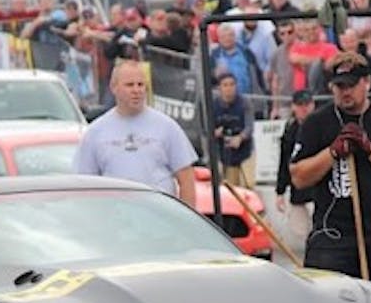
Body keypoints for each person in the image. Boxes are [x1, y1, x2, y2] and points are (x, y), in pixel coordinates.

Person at [289, 53, 371, 301]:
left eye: (351, 85)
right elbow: (299, 177)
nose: (345, 92)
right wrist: (332, 152)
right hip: (331, 235)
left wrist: (370, 150)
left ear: (366, 82)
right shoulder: (316, 122)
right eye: (339, 86)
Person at [74, 61, 196, 207]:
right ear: (114, 87)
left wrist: (184, 221)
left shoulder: (167, 127)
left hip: (160, 218)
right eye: (129, 85)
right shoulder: (95, 132)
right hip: (116, 221)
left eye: (141, 84)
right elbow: (85, 186)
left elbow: (186, 178)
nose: (136, 90)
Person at [275, 90, 316, 239]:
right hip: (299, 191)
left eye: (307, 104)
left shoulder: (322, 127)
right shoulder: (290, 131)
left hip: (319, 190)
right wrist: (280, 191)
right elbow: (284, 162)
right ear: (293, 107)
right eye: (300, 105)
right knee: (302, 232)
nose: (304, 108)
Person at [212, 73, 255, 188]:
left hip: (246, 150)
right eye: (225, 85)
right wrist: (215, 133)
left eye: (232, 84)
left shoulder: (244, 103)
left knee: (250, 184)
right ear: (219, 88)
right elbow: (207, 128)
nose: (229, 88)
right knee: (232, 187)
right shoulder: (214, 105)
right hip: (227, 153)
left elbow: (249, 127)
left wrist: (240, 137)